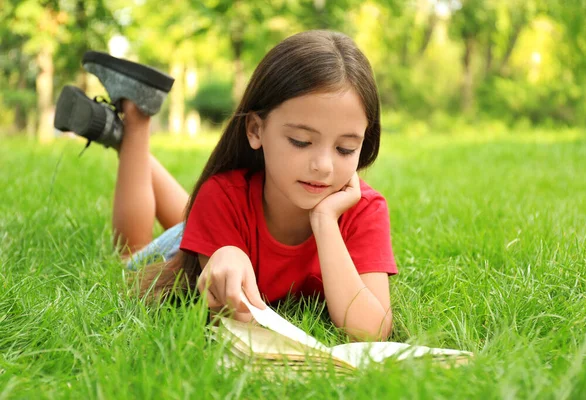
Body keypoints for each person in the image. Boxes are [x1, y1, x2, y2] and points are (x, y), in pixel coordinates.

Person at [54, 30, 397, 341]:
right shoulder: (221, 196)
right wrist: (225, 253)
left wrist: (324, 221)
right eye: (301, 141)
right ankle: (136, 124)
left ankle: (123, 137)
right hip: (200, 235)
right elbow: (237, 317)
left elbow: (371, 330)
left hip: (224, 217)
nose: (323, 166)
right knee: (131, 255)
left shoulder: (363, 208)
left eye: (345, 149)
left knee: (196, 213)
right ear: (255, 130)